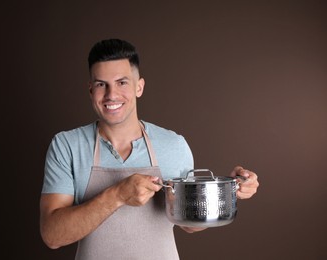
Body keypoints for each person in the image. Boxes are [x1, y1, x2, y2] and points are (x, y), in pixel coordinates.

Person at [39, 38, 259, 260]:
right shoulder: (66, 146)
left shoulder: (173, 145)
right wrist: (117, 195)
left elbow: (190, 225)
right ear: (90, 90)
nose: (111, 95)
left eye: (122, 82)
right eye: (101, 84)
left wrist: (227, 193)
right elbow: (52, 235)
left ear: (139, 87)